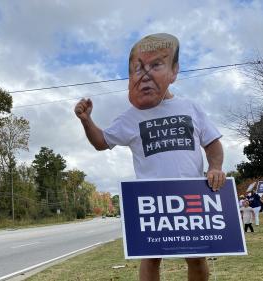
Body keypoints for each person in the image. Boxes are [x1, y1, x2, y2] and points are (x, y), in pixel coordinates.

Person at [74, 33, 226, 281]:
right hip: (151, 198)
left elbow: (212, 143)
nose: (146, 75)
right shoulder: (131, 117)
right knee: (151, 256)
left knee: (197, 256)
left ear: (173, 71)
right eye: (139, 69)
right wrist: (86, 121)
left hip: (191, 194)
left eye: (156, 65)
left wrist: (215, 167)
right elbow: (102, 142)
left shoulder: (191, 107)